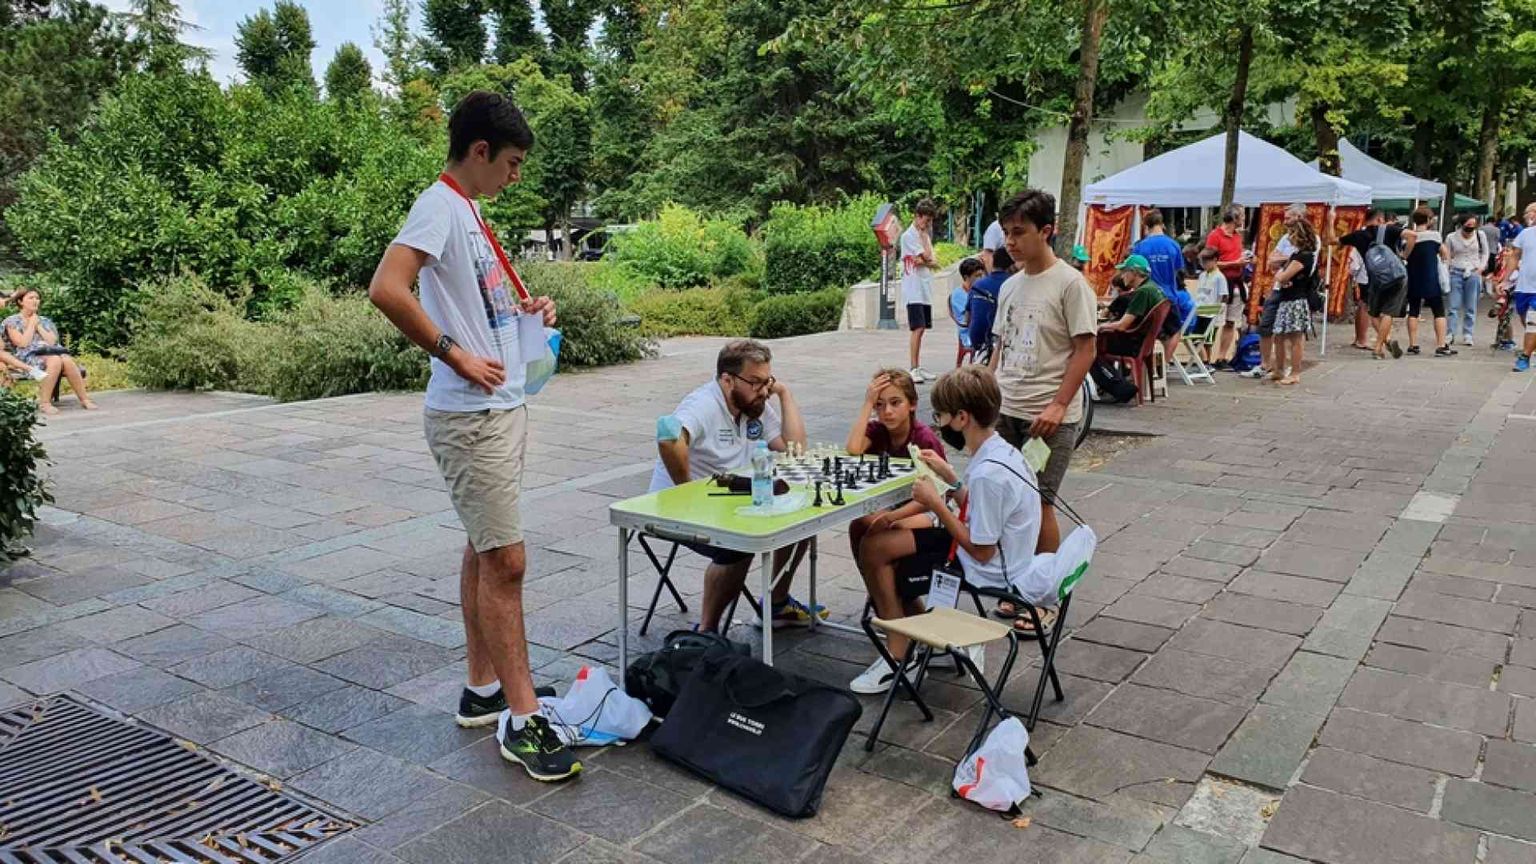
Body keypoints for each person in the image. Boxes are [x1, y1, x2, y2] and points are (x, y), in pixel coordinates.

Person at [367, 91, 575, 781]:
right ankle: (523, 720)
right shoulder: (438, 204)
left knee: (484, 550)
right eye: (512, 163)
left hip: (501, 408)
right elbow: (387, 288)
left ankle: (484, 690)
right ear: (479, 152)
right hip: (471, 414)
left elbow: (477, 301)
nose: (516, 177)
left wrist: (525, 310)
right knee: (507, 563)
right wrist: (455, 354)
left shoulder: (471, 213)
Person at [849, 365, 1042, 693]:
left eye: (941, 415)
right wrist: (952, 482)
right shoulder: (1001, 452)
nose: (939, 423)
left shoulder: (988, 473)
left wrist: (937, 503)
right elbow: (980, 514)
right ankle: (915, 639)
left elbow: (982, 550)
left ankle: (899, 656)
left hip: (989, 570)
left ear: (962, 417)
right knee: (876, 542)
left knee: (877, 552)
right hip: (995, 553)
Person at [651, 339, 824, 630]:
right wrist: (686, 490)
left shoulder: (753, 403)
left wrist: (783, 393)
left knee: (803, 520)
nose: (763, 390)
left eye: (767, 381)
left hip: (731, 497)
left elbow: (793, 450)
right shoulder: (704, 403)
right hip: (678, 509)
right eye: (755, 382)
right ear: (727, 379)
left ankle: (776, 605)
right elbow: (669, 438)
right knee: (738, 544)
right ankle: (707, 630)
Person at [987, 188, 1096, 563]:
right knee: (1006, 499)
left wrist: (1057, 406)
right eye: (1006, 232)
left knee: (1039, 501)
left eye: (1019, 231)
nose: (1010, 241)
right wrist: (986, 396)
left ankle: (1043, 591)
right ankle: (1015, 578)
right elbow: (1001, 347)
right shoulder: (1009, 286)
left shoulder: (1070, 284)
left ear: (1045, 231)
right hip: (1005, 410)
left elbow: (1085, 350)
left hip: (1048, 418)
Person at [844, 368, 948, 573]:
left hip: (932, 510)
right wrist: (867, 403)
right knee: (859, 525)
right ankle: (876, 585)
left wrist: (890, 518)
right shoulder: (878, 430)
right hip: (895, 506)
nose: (887, 412)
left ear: (912, 404)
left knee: (888, 528)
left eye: (895, 402)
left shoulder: (924, 439)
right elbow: (853, 448)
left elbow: (936, 494)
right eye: (879, 405)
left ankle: (896, 587)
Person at [3, 287, 95, 414]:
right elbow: (22, 343)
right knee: (55, 360)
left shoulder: (45, 320)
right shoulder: (11, 321)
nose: (35, 300)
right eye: (31, 298)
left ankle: (84, 399)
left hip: (47, 353)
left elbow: (52, 342)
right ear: (20, 302)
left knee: (66, 360)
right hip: (26, 358)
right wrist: (31, 325)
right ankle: (45, 403)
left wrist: (38, 326)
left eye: (37, 298)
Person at [1090, 256, 1168, 402]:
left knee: (1089, 349)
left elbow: (1122, 325)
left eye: (1124, 271)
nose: (1122, 275)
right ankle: (1115, 385)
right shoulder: (1154, 288)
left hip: (1133, 343)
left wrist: (1100, 326)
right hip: (1144, 341)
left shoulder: (1143, 292)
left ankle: (1120, 389)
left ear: (1134, 272)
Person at [1338, 208, 1406, 360]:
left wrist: (1330, 221)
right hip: (1393, 277)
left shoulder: (1357, 235)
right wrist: (1405, 255)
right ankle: (1378, 346)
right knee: (1388, 312)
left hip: (1373, 278)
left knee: (1373, 312)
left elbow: (1333, 241)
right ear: (1380, 219)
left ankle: (1385, 341)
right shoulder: (1389, 230)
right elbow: (1412, 235)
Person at [1269, 220, 1320, 386]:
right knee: (1279, 335)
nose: (1289, 237)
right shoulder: (1296, 256)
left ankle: (1295, 372)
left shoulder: (1303, 256)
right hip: (1288, 298)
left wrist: (1279, 274)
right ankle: (1279, 368)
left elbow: (1283, 276)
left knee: (1295, 337)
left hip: (1296, 300)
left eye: (1291, 233)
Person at [1402, 206, 1455, 356]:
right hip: (1430, 278)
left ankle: (1413, 344)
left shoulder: (1408, 237)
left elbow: (1404, 254)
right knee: (1438, 311)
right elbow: (1445, 253)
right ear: (1428, 220)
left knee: (1413, 310)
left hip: (1413, 278)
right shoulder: (1434, 236)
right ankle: (1441, 345)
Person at [1132, 209, 1195, 334]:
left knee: (1145, 335)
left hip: (1148, 299)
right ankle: (1168, 354)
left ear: (1146, 226)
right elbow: (1178, 270)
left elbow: (1134, 271)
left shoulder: (1140, 246)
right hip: (1169, 297)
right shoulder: (1174, 245)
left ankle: (1150, 354)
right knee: (1173, 334)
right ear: (1162, 224)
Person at [1206, 205, 1249, 366]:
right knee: (1213, 321)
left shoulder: (1238, 236)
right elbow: (1209, 262)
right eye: (1242, 216)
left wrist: (1244, 260)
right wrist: (1234, 263)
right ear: (1234, 218)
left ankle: (1222, 357)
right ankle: (1207, 356)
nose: (1244, 219)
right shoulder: (1215, 236)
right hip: (1219, 284)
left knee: (1231, 321)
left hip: (1237, 282)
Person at [901, 199, 939, 382]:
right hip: (913, 288)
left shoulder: (924, 236)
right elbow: (928, 257)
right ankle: (913, 367)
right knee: (918, 327)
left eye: (930, 221)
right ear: (917, 216)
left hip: (924, 288)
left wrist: (926, 260)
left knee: (923, 328)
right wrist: (927, 259)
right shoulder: (909, 236)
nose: (928, 224)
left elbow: (933, 261)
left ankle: (918, 365)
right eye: (926, 220)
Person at [1445, 213, 1489, 347]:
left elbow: (1485, 252)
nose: (1471, 228)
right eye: (1468, 225)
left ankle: (1468, 334)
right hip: (1456, 272)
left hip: (1474, 272)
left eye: (1473, 225)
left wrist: (1481, 267)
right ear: (1461, 224)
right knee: (1453, 306)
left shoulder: (1480, 236)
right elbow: (1447, 255)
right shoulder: (1451, 237)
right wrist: (1447, 269)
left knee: (1471, 306)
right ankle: (1450, 333)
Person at [1505, 203, 1536, 372]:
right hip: (1524, 286)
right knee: (1525, 319)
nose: (1527, 216)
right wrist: (1505, 280)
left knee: (1533, 322)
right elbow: (1514, 256)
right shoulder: (1525, 233)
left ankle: (1524, 357)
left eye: (1528, 212)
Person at [967, 247, 1010, 364]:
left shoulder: (977, 285)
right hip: (995, 342)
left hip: (975, 339)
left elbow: (968, 317)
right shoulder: (1011, 284)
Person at [951, 259, 981, 366]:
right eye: (977, 276)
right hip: (968, 334)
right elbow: (968, 318)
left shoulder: (977, 290)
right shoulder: (958, 294)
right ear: (966, 277)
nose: (980, 279)